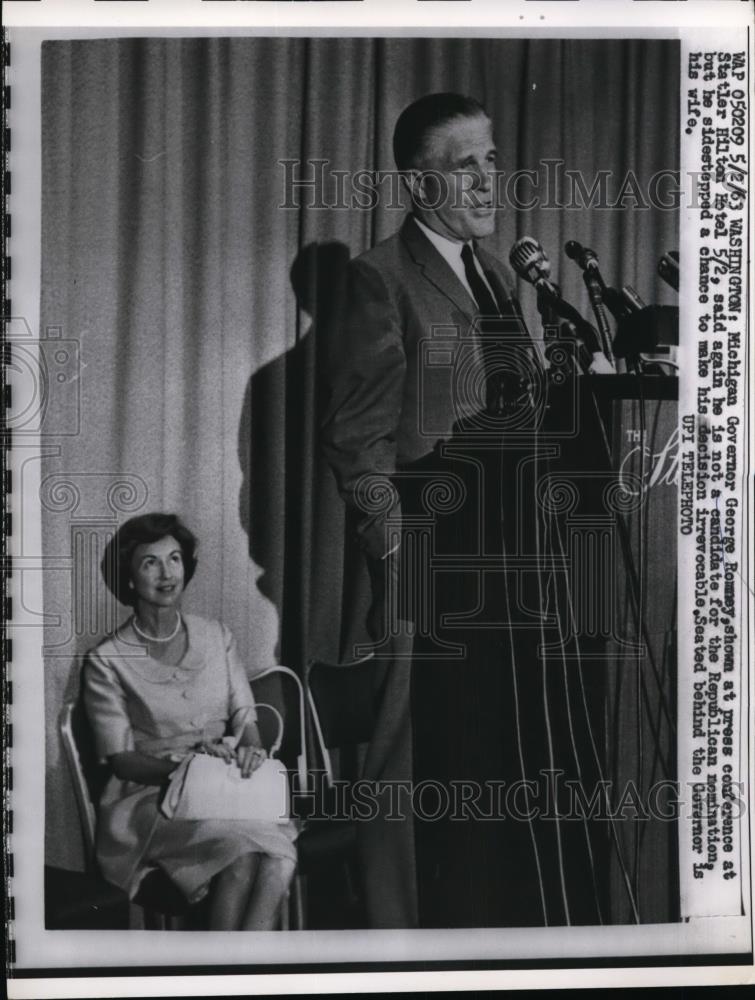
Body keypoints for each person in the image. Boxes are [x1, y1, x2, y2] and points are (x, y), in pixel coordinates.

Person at [321, 93, 608, 928]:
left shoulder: (493, 274)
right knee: (417, 772)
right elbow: (356, 442)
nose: (488, 179)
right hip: (436, 557)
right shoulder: (379, 278)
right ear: (418, 183)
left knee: (494, 760)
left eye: (490, 159)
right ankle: (399, 945)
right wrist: (402, 558)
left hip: (514, 556)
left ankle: (493, 929)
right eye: (465, 165)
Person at [83, 512, 297, 930]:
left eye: (174, 558)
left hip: (225, 789)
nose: (167, 573)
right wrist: (192, 768)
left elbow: (244, 715)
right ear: (129, 577)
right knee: (241, 860)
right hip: (150, 800)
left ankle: (241, 979)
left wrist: (250, 746)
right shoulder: (106, 661)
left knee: (277, 863)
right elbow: (123, 761)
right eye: (150, 562)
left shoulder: (218, 636)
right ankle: (223, 978)